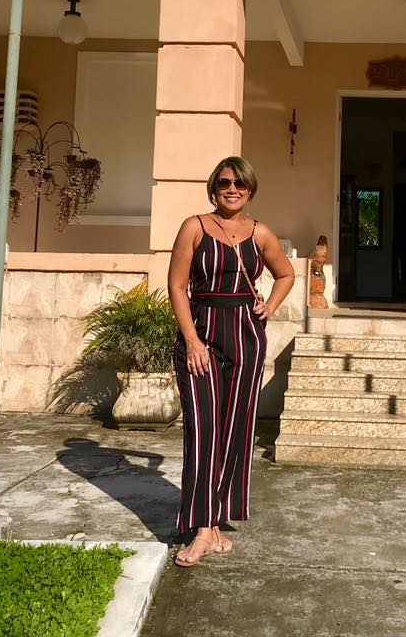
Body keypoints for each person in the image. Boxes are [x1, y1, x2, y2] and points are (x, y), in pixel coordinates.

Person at [167, 155, 295, 567]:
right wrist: (191, 340)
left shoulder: (261, 234)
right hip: (202, 333)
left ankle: (213, 523)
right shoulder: (194, 227)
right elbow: (177, 285)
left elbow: (286, 274)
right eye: (224, 183)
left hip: (245, 337)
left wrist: (270, 306)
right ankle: (204, 528)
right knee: (203, 429)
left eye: (240, 183)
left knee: (235, 429)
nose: (232, 189)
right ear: (214, 188)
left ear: (250, 189)